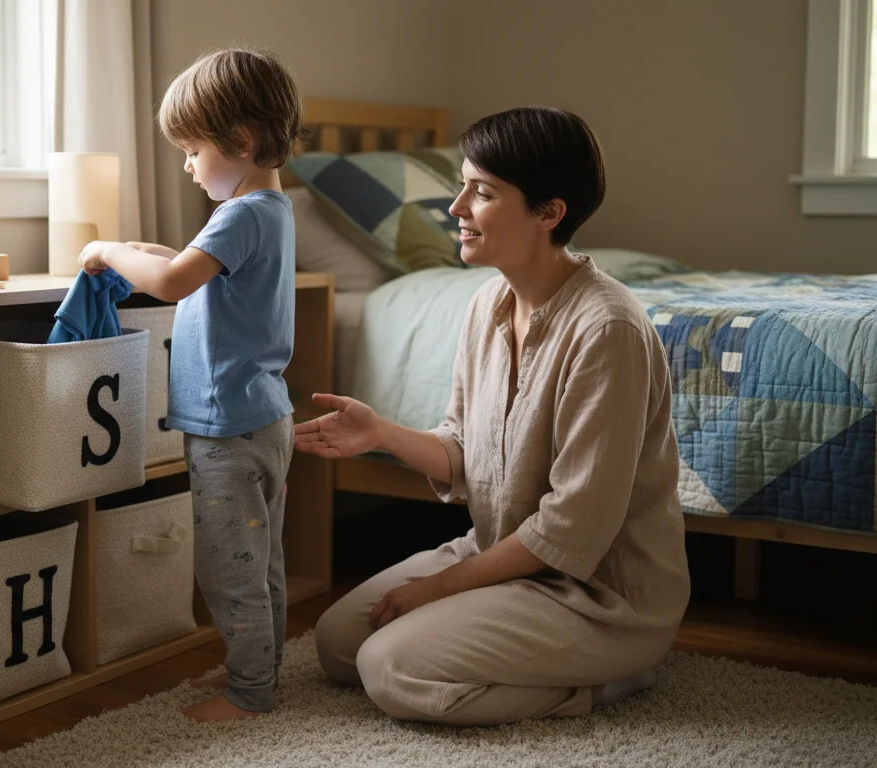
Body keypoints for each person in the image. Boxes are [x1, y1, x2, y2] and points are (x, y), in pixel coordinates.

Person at [295, 106, 691, 726]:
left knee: (391, 668)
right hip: (502, 555)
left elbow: (570, 529)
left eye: (481, 192)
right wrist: (381, 433)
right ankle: (515, 645)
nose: (455, 208)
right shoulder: (487, 303)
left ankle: (608, 678)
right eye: (461, 185)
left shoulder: (606, 328)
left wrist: (435, 590)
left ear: (548, 213)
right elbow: (462, 447)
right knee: (340, 642)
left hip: (595, 595)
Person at [77, 47, 302, 723]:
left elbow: (175, 283)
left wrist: (106, 251)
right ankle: (266, 669)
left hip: (226, 428)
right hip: (265, 418)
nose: (186, 164)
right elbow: (187, 269)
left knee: (230, 568)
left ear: (242, 141)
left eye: (192, 148)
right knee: (261, 558)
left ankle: (248, 692)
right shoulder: (273, 210)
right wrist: (144, 253)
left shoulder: (239, 215)